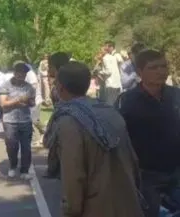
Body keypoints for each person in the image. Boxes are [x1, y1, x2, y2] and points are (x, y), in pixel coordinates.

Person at [45, 62, 144, 217]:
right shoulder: (109, 112)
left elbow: (73, 175)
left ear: (60, 87)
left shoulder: (68, 122)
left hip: (96, 206)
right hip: (127, 201)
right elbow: (133, 159)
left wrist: (70, 210)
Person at [117, 49, 180, 217]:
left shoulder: (176, 96)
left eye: (163, 66)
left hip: (176, 171)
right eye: (154, 67)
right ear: (139, 72)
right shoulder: (127, 101)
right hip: (146, 175)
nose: (161, 71)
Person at [0, 63, 36, 180]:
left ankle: (24, 170)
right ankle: (13, 166)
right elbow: (3, 103)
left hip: (25, 120)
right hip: (10, 121)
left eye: (24, 73)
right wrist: (19, 100)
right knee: (12, 145)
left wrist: (29, 102)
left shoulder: (29, 87)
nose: (21, 75)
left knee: (26, 147)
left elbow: (32, 102)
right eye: (19, 72)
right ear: (14, 73)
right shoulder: (5, 86)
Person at [42, 51, 72, 178]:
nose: (48, 69)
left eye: (50, 66)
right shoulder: (59, 80)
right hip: (61, 115)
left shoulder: (63, 81)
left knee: (60, 145)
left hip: (65, 118)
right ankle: (54, 169)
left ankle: (59, 170)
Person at [24, 63, 45, 146]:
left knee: (34, 120)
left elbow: (34, 86)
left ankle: (45, 130)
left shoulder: (30, 74)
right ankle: (37, 138)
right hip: (30, 101)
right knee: (31, 120)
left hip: (35, 101)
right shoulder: (27, 75)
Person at [98, 41, 124, 105]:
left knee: (110, 104)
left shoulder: (105, 58)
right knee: (117, 103)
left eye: (101, 51)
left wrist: (100, 72)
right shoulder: (113, 57)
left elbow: (108, 72)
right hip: (117, 83)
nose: (100, 53)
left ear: (105, 51)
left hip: (111, 84)